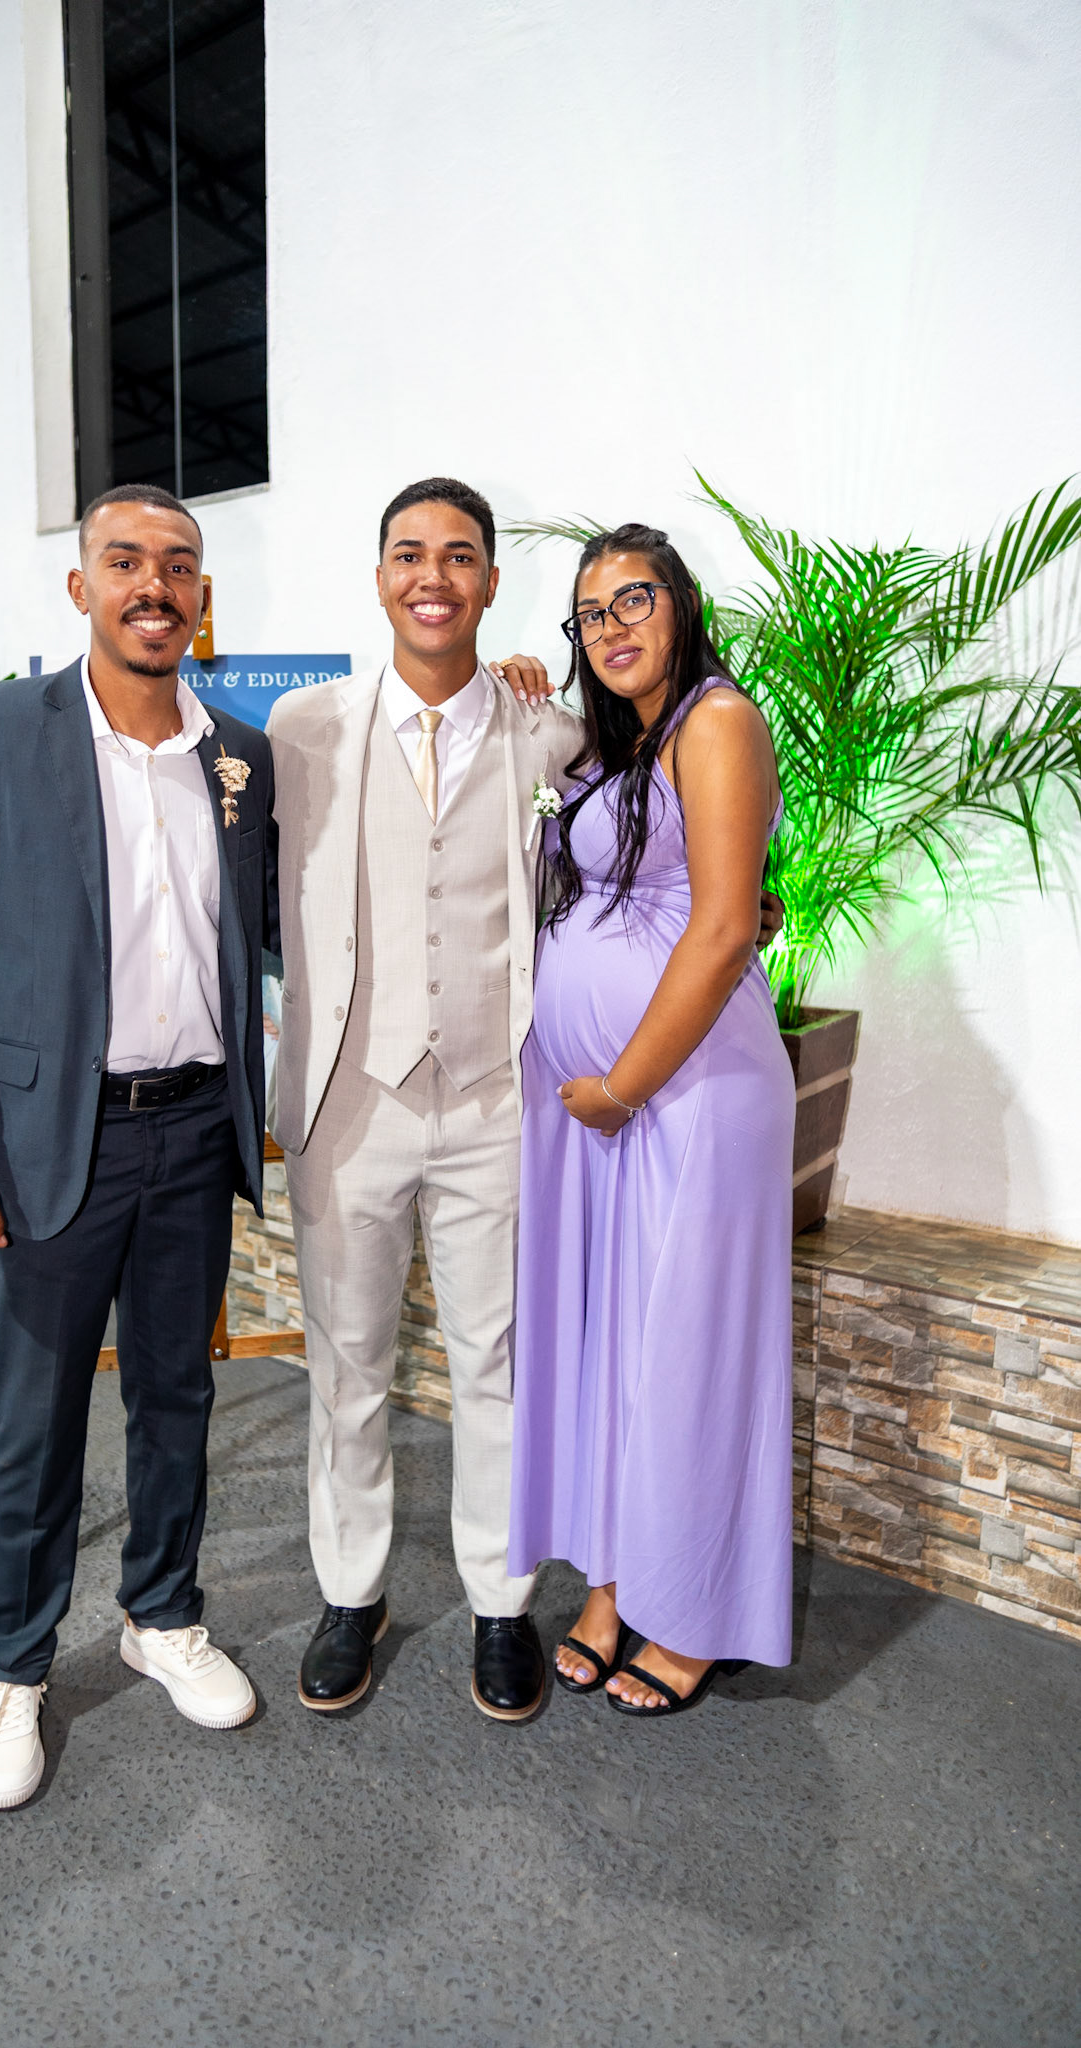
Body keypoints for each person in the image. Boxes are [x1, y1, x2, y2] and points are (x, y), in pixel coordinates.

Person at [0, 485, 277, 1808]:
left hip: (195, 1127)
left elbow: (266, 933)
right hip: (52, 1140)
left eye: (178, 565)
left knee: (176, 1393)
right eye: (125, 561)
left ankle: (161, 1614)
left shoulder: (239, 756)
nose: (152, 585)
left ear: (201, 596)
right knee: (33, 1414)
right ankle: (10, 1662)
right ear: (82, 587)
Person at [267, 479, 585, 1720]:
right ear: (380, 576)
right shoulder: (304, 727)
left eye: (459, 555)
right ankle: (352, 1591)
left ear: (492, 581)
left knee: (493, 1361)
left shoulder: (547, 732)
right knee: (346, 1364)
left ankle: (502, 1603)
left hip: (496, 1099)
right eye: (410, 553)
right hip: (350, 1102)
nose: (433, 575)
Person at [507, 522, 796, 1717]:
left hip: (686, 1096)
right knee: (619, 1349)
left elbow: (724, 928)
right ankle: (620, 1579)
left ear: (680, 605)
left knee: (690, 1352)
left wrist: (622, 1085)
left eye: (635, 599)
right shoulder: (616, 740)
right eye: (591, 612)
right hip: (599, 1111)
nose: (612, 625)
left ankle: (697, 1613)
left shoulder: (717, 720)